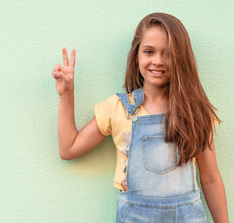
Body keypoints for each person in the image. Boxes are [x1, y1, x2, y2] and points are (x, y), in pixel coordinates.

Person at [51, 12, 229, 222]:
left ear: (181, 58)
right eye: (149, 51)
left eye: (169, 53)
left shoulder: (195, 112)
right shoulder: (117, 108)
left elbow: (210, 180)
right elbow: (68, 149)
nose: (158, 61)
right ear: (137, 55)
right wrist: (66, 94)